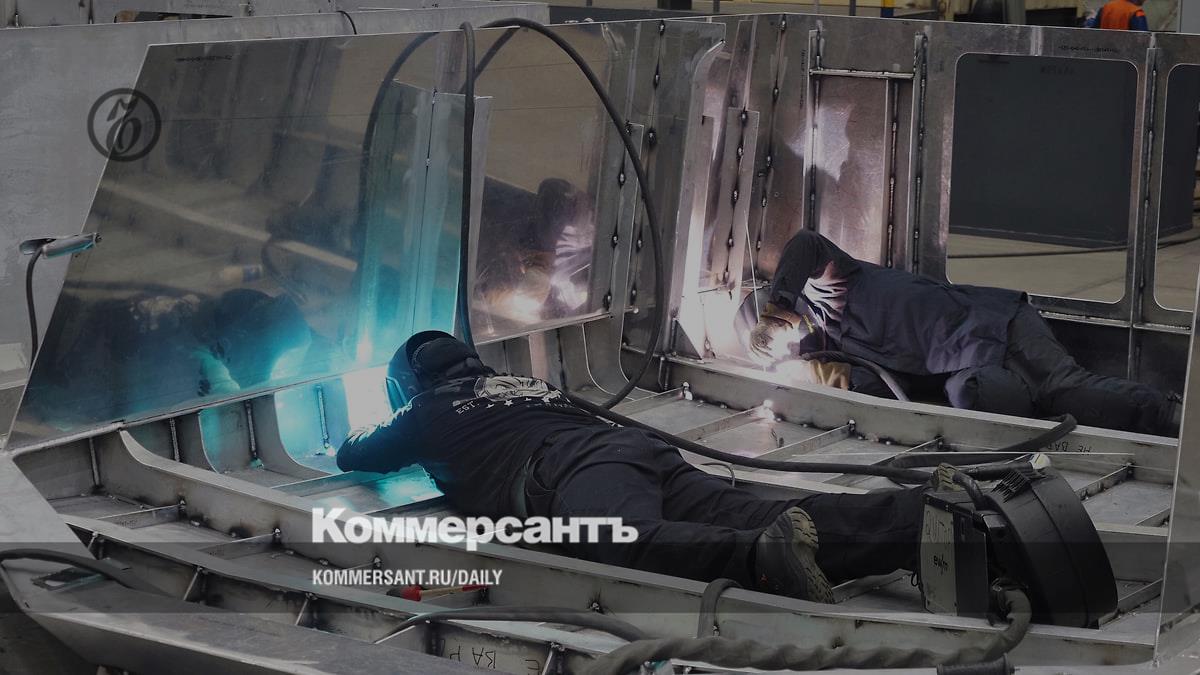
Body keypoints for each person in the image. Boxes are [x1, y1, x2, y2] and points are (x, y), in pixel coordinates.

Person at [336, 330, 929, 602]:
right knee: (764, 511)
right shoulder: (525, 384)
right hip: (634, 451)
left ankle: (758, 560)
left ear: (406, 386)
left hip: (571, 467)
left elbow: (355, 454)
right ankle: (924, 517)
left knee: (627, 541)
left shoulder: (424, 410)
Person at [750, 230, 1180, 436]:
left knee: (1068, 389)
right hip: (973, 369)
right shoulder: (841, 356)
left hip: (1001, 325)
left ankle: (1175, 416)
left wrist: (775, 313)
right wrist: (820, 374)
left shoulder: (836, 285)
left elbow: (806, 243)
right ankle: (1052, 417)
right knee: (969, 398)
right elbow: (887, 390)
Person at [1084, 0, 1149, 30]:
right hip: (1126, 51)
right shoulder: (1136, 12)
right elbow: (1143, 38)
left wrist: (1090, 20)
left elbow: (1093, 31)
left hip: (1105, 50)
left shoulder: (1106, 8)